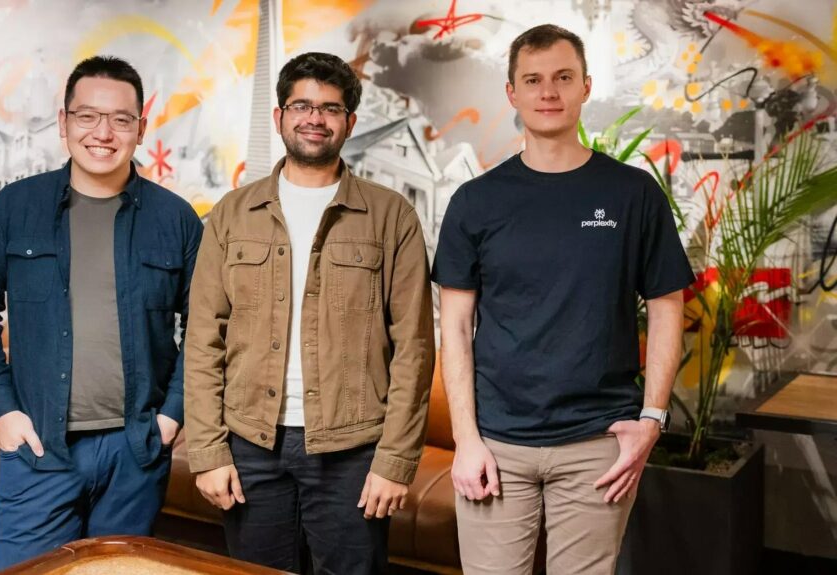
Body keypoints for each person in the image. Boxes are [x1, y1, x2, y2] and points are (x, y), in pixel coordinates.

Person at [432, 24, 693, 574]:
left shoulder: (633, 193)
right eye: (533, 79)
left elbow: (668, 309)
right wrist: (466, 440)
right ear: (513, 94)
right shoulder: (475, 202)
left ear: (585, 87)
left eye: (562, 78)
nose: (548, 92)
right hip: (497, 444)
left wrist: (651, 419)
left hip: (599, 444)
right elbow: (454, 329)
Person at [184, 52, 435, 574]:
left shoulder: (392, 216)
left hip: (353, 452)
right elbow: (204, 338)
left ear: (349, 122)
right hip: (251, 446)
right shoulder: (232, 214)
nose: (314, 118)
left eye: (330, 108)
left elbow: (414, 346)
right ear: (279, 117)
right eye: (301, 105)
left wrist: (394, 461)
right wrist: (207, 451)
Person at [0, 55, 202, 572]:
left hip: (136, 450)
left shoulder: (175, 219)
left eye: (120, 119)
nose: (103, 133)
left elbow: (205, 329)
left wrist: (172, 415)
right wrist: (4, 409)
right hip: (39, 447)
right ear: (63, 123)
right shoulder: (13, 208)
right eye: (87, 116)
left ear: (140, 127)